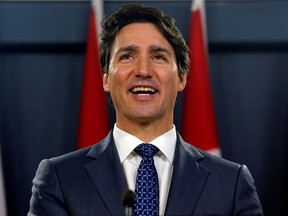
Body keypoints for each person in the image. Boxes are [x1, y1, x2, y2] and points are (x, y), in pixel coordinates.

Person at [28, 4, 263, 216]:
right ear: (106, 79)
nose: (143, 70)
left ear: (181, 78)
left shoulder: (231, 183)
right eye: (127, 56)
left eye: (158, 57)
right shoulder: (59, 178)